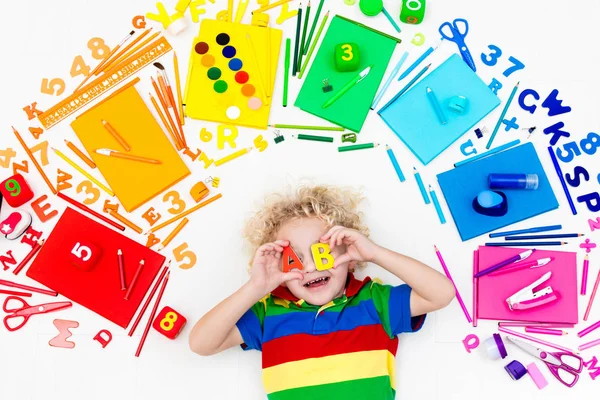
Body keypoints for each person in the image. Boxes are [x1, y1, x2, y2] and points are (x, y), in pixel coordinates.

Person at [190, 185, 455, 399]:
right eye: (294, 258)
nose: (311, 267)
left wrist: (376, 253)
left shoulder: (373, 301)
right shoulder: (269, 313)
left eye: (322, 252)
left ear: (350, 256)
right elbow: (202, 344)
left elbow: (441, 294)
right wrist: (256, 287)